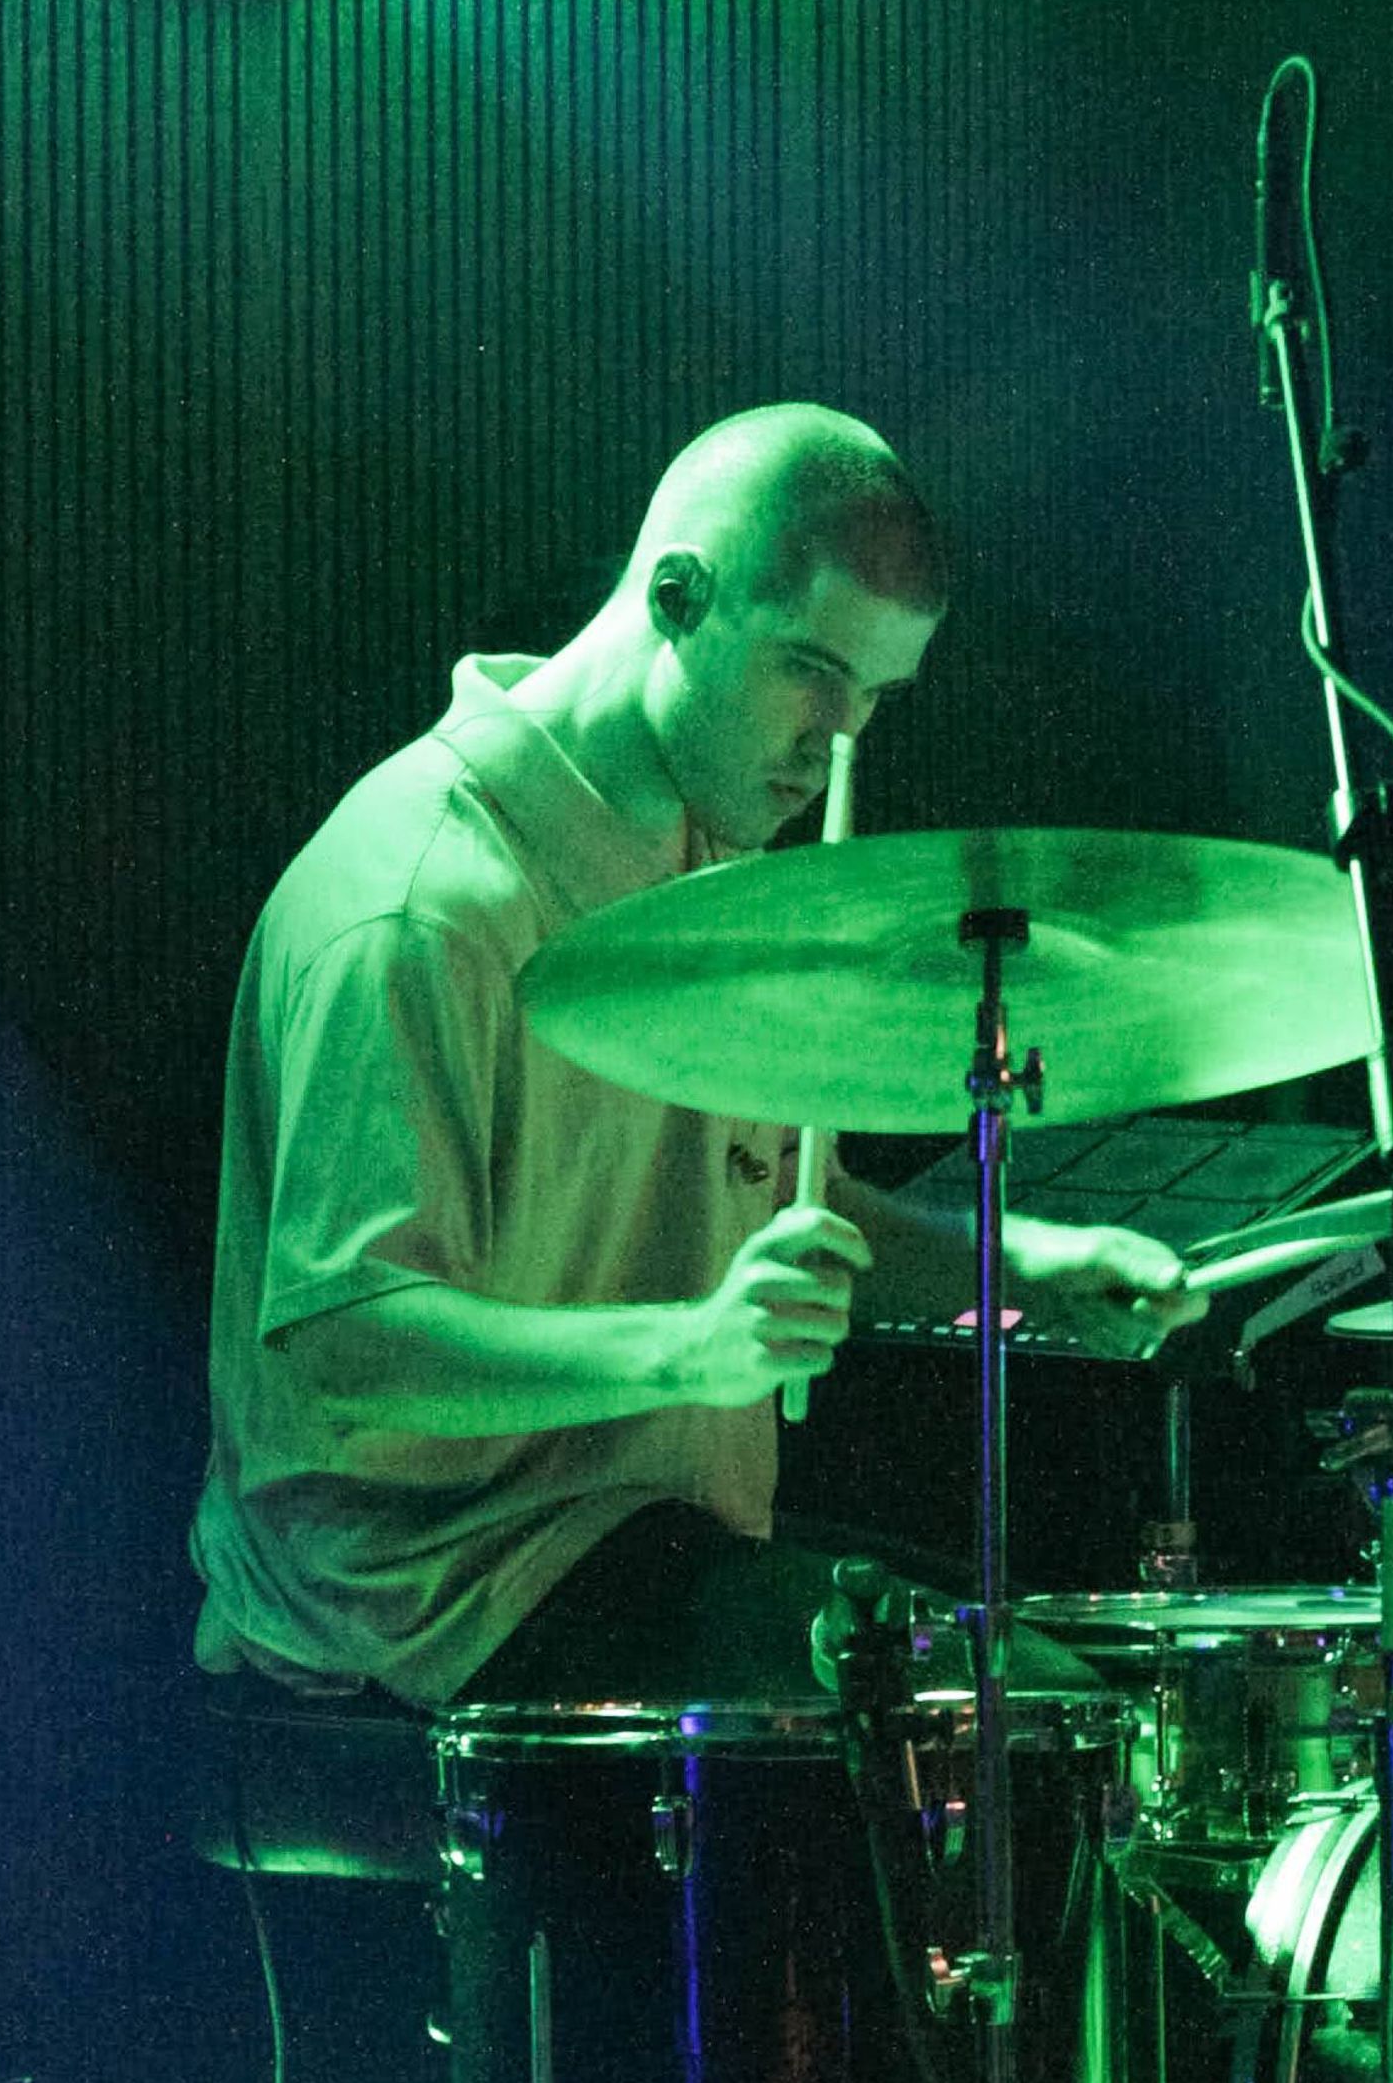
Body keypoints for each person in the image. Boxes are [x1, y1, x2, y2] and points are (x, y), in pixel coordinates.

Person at [191, 404, 1203, 1714]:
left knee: (1061, 1702)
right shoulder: (420, 902)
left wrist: (1020, 1269)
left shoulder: (709, 854)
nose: (841, 744)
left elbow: (773, 1204)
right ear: (678, 593)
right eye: (810, 671)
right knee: (966, 1752)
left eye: (877, 698)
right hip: (421, 1599)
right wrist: (687, 1350)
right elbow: (346, 1341)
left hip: (643, 1543)